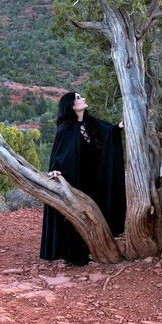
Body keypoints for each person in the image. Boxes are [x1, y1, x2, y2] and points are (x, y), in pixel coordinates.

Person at [39, 92, 126, 266]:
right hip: (75, 180)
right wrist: (55, 171)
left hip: (93, 180)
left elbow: (110, 132)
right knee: (76, 216)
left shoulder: (90, 122)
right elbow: (59, 154)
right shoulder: (65, 128)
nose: (83, 99)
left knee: (94, 216)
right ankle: (74, 256)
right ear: (71, 105)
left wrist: (121, 125)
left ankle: (92, 251)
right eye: (78, 98)